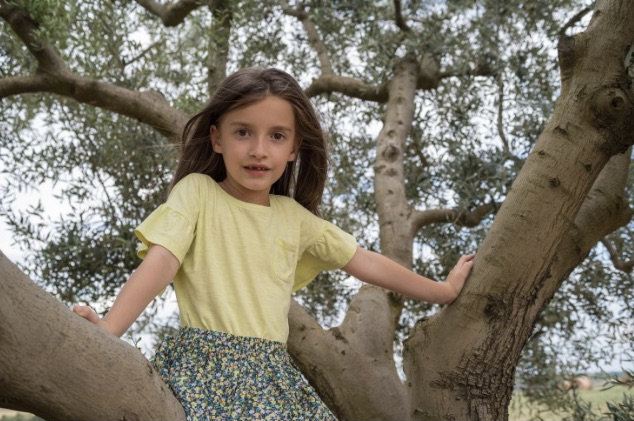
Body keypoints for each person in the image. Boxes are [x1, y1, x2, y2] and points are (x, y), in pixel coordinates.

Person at [73, 67, 474, 421]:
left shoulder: (293, 217)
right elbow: (161, 263)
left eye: (277, 136)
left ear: (295, 148)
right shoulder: (197, 192)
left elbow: (364, 262)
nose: (259, 150)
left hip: (272, 376)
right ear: (217, 138)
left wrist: (442, 291)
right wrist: (108, 329)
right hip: (204, 367)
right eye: (243, 131)